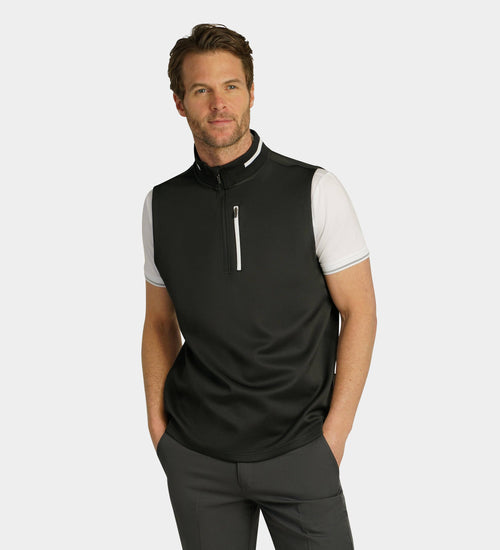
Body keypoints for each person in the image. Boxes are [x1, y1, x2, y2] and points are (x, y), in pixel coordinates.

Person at [141, 23, 377, 550]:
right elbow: (159, 321)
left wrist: (334, 437)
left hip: (300, 451)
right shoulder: (161, 205)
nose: (218, 104)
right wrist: (159, 427)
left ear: (251, 92)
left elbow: (360, 310)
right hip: (196, 458)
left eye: (231, 86)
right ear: (179, 102)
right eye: (201, 90)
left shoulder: (315, 189)